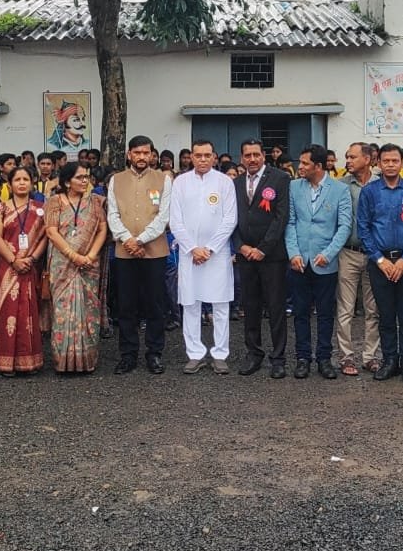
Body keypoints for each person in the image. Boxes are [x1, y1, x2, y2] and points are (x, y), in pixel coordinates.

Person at [357, 142, 403, 383]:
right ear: (378, 163)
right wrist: (380, 259)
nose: (390, 165)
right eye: (385, 161)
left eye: (395, 160)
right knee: (385, 315)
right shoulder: (370, 192)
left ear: (402, 162)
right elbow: (363, 229)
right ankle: (389, 361)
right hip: (380, 263)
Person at [170, 140, 238, 374]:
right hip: (189, 254)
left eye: (207, 155)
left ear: (214, 157)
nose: (202, 159)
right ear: (191, 157)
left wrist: (209, 248)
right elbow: (175, 220)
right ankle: (195, 353)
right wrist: (192, 248)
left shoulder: (224, 182)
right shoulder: (180, 182)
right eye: (198, 155)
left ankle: (220, 353)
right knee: (190, 303)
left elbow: (230, 219)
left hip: (216, 254)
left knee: (220, 304)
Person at [106, 135, 173, 374]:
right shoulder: (116, 180)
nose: (142, 157)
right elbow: (112, 215)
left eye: (146, 153)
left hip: (154, 251)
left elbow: (164, 216)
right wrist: (127, 240)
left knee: (155, 304)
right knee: (126, 305)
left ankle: (154, 353)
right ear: (129, 154)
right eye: (137, 153)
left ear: (152, 155)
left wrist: (141, 240)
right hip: (125, 253)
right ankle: (128, 354)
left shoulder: (164, 179)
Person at [284, 145, 352, 379]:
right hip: (299, 261)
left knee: (325, 313)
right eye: (300, 162)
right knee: (300, 312)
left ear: (319, 166)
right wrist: (293, 253)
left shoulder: (340, 189)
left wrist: (329, 252)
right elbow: (290, 222)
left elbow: (344, 225)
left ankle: (324, 358)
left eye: (304, 163)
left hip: (325, 261)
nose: (299, 167)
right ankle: (303, 357)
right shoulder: (293, 187)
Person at [231, 138, 291, 377]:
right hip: (246, 255)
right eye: (247, 155)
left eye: (256, 155)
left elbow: (281, 217)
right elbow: (230, 218)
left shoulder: (280, 178)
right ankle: (254, 353)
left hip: (271, 255)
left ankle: (278, 357)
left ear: (264, 156)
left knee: (276, 307)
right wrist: (241, 246)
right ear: (242, 158)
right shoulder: (234, 183)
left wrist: (263, 248)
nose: (252, 159)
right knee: (250, 306)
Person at [46, 161, 109, 373]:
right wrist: (73, 255)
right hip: (62, 264)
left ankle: (86, 360)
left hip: (88, 264)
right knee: (62, 311)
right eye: (80, 177)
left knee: (88, 310)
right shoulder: (54, 202)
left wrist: (90, 255)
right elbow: (51, 232)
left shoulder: (95, 202)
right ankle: (63, 361)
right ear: (66, 181)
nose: (85, 181)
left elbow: (102, 229)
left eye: (86, 177)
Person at [0, 165, 49, 375]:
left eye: (26, 179)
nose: (22, 183)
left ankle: (29, 361)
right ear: (10, 184)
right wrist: (14, 259)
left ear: (32, 183)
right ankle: (7, 362)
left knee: (28, 311)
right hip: (8, 266)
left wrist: (32, 258)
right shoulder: (1, 208)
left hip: (30, 266)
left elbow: (45, 237)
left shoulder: (41, 208)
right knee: (8, 312)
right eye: (18, 180)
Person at [335, 143, 382, 376]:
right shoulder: (341, 185)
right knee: (345, 308)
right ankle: (346, 357)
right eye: (346, 157)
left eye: (352, 156)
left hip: (375, 255)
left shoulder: (382, 183)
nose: (348, 161)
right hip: (348, 253)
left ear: (367, 158)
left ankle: (370, 356)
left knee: (373, 309)